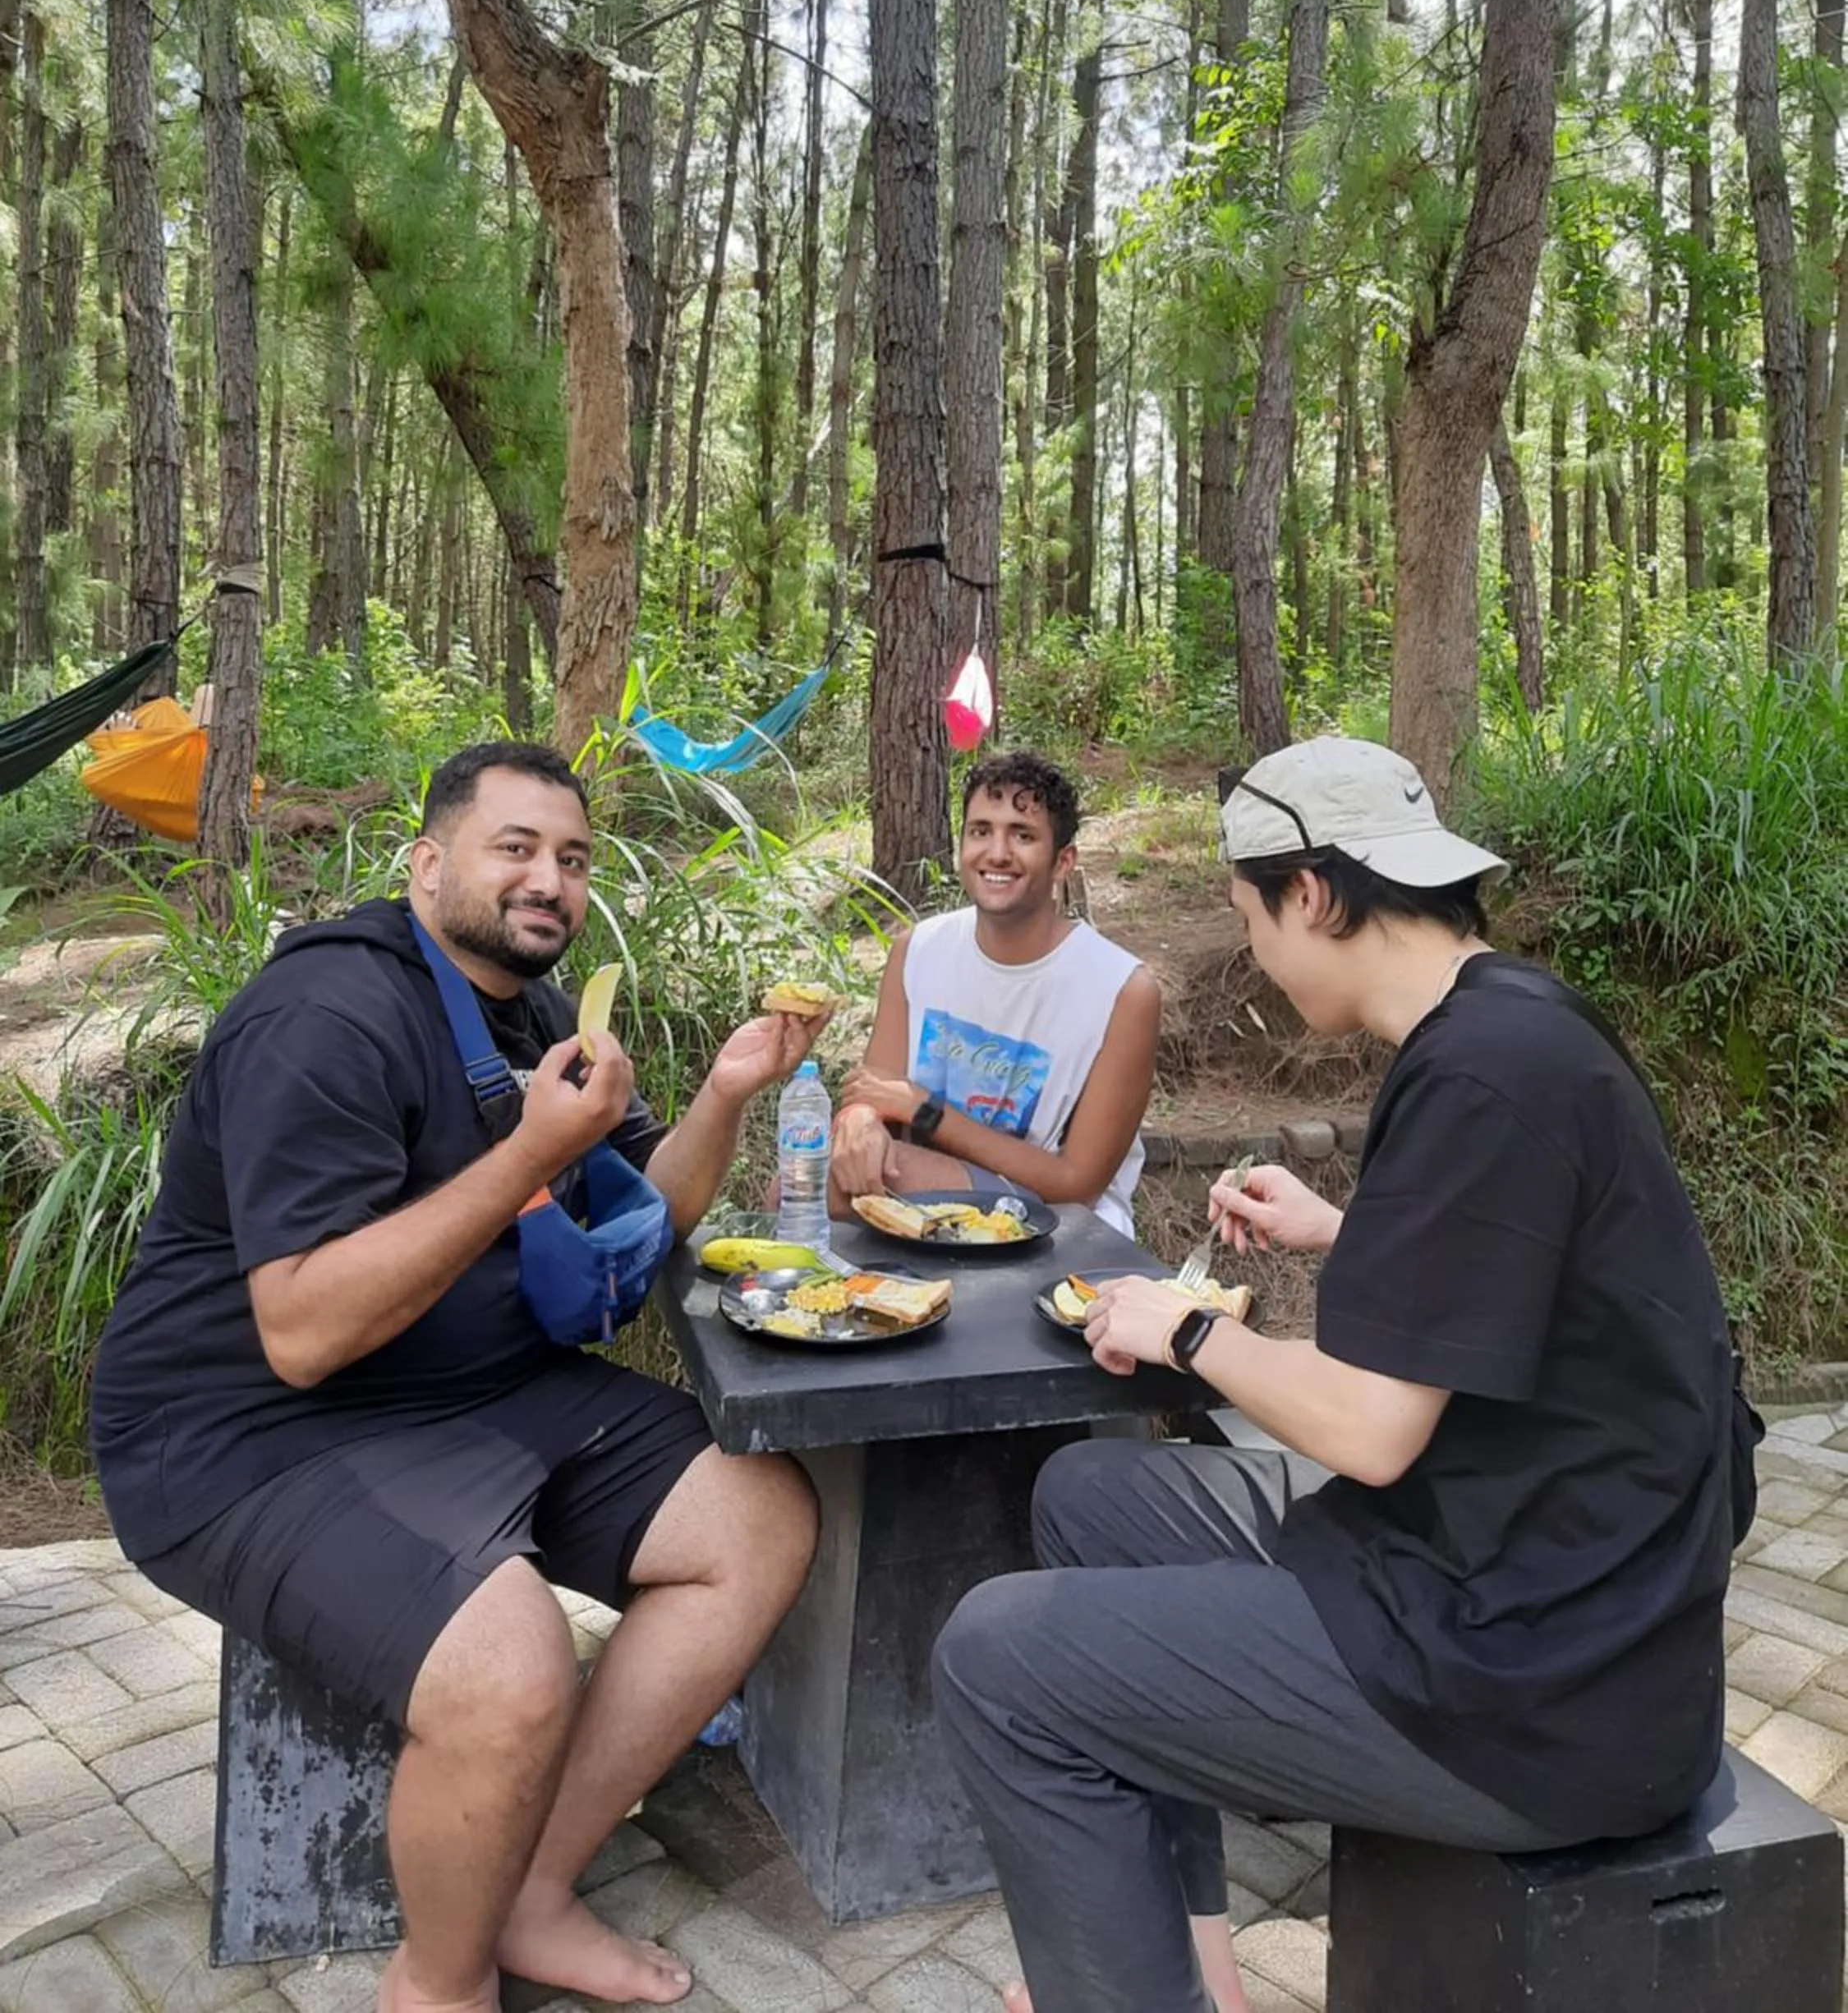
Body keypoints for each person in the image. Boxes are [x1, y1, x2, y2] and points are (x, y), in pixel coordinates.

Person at [932, 735, 1745, 2013]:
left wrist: (1191, 1334)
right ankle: (1178, 1962)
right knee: (1091, 1496)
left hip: (1534, 1676)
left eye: (1251, 913)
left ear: (1311, 893)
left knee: (996, 1659)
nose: (1253, 949)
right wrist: (1339, 1229)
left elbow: (1368, 1432)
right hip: (1506, 1568)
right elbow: (1528, 1281)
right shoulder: (1517, 1024)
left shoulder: (1480, 1074)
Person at [91, 742, 823, 2013]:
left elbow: (643, 1220)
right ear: (428, 866)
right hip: (250, 1433)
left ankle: (534, 1885)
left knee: (759, 1516)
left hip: (472, 1387)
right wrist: (528, 1149)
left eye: (574, 859)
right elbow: (304, 1333)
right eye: (516, 849)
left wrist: (723, 1090)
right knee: (509, 1669)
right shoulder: (327, 1018)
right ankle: (439, 1981)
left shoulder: (530, 1013)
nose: (551, 880)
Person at [831, 750, 1160, 1234]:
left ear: (1062, 861)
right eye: (981, 831)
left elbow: (1078, 1183)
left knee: (849, 1182)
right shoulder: (918, 950)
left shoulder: (1121, 990)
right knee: (799, 1183)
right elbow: (876, 1093)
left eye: (1022, 835)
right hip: (919, 1190)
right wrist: (857, 1121)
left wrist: (927, 1112)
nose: (998, 853)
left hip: (1057, 1222)